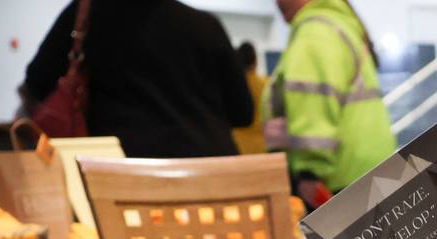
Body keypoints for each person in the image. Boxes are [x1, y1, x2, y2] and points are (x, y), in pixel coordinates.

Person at [22, 0, 253, 158]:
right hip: (212, 177)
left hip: (121, 178)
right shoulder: (205, 26)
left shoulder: (87, 15)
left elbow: (36, 84)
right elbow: (243, 113)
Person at [264, 0, 395, 210]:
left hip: (335, 185)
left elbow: (313, 108)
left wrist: (308, 173)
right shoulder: (338, 25)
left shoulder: (315, 34)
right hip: (367, 176)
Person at [232, 42, 268, 155]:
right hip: (263, 148)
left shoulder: (231, 87)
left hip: (237, 148)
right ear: (255, 62)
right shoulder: (267, 85)